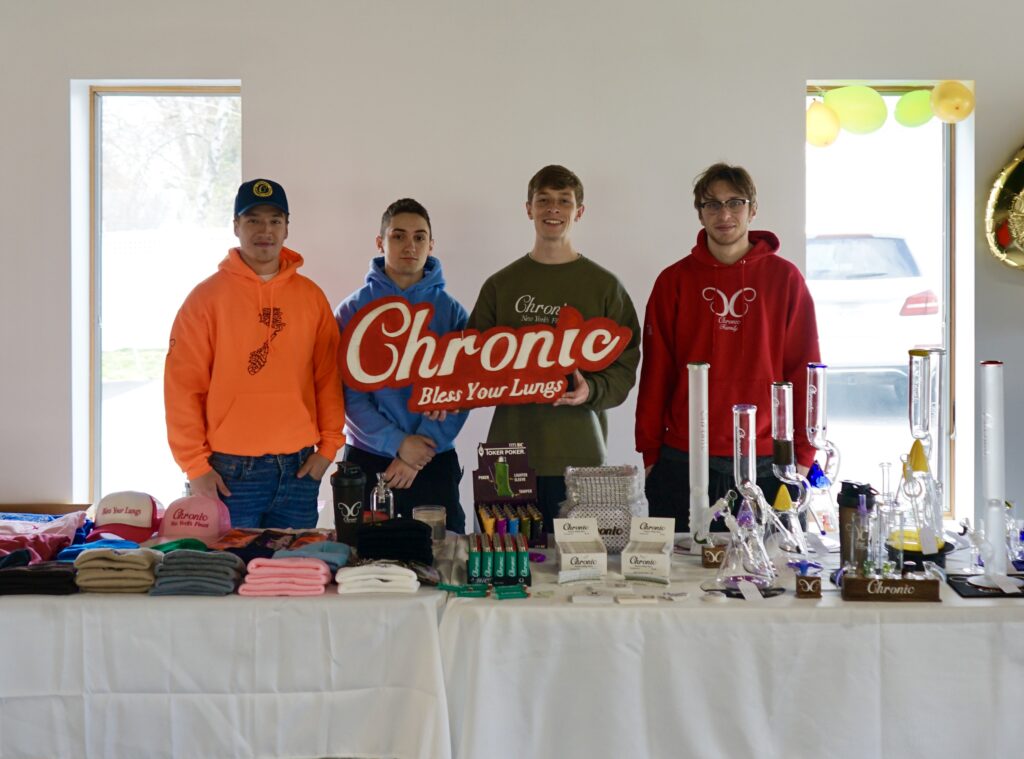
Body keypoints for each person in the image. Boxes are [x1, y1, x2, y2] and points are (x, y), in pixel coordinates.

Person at [636, 162, 820, 531]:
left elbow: (804, 368)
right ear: (699, 213)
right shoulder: (673, 282)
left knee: (772, 577)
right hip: (683, 459)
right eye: (712, 204)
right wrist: (651, 451)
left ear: (753, 209)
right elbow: (657, 372)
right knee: (682, 577)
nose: (724, 214)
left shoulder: (785, 279)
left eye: (734, 203)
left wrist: (804, 454)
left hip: (769, 461)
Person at [164, 178, 345, 529]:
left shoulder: (311, 297)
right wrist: (195, 466)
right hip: (229, 474)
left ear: (287, 228)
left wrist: (328, 449)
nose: (265, 230)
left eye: (275, 220)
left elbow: (328, 377)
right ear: (236, 226)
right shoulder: (205, 299)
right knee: (226, 577)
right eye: (253, 220)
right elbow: (183, 387)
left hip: (299, 469)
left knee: (297, 578)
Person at [468, 165, 641, 531]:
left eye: (564, 201)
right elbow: (469, 362)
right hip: (508, 455)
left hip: (581, 458)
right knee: (506, 566)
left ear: (579, 211)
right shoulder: (500, 285)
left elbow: (625, 369)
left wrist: (590, 389)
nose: (553, 209)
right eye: (543, 200)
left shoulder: (605, 287)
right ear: (528, 208)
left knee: (581, 569)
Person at [334, 198, 469, 532]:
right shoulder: (351, 312)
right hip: (367, 459)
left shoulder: (453, 314)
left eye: (420, 237)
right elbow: (347, 394)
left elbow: (465, 391)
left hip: (433, 460)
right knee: (363, 563)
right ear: (380, 242)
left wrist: (417, 450)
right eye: (398, 236)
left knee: (444, 561)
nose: (410, 245)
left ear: (431, 245)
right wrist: (397, 443)